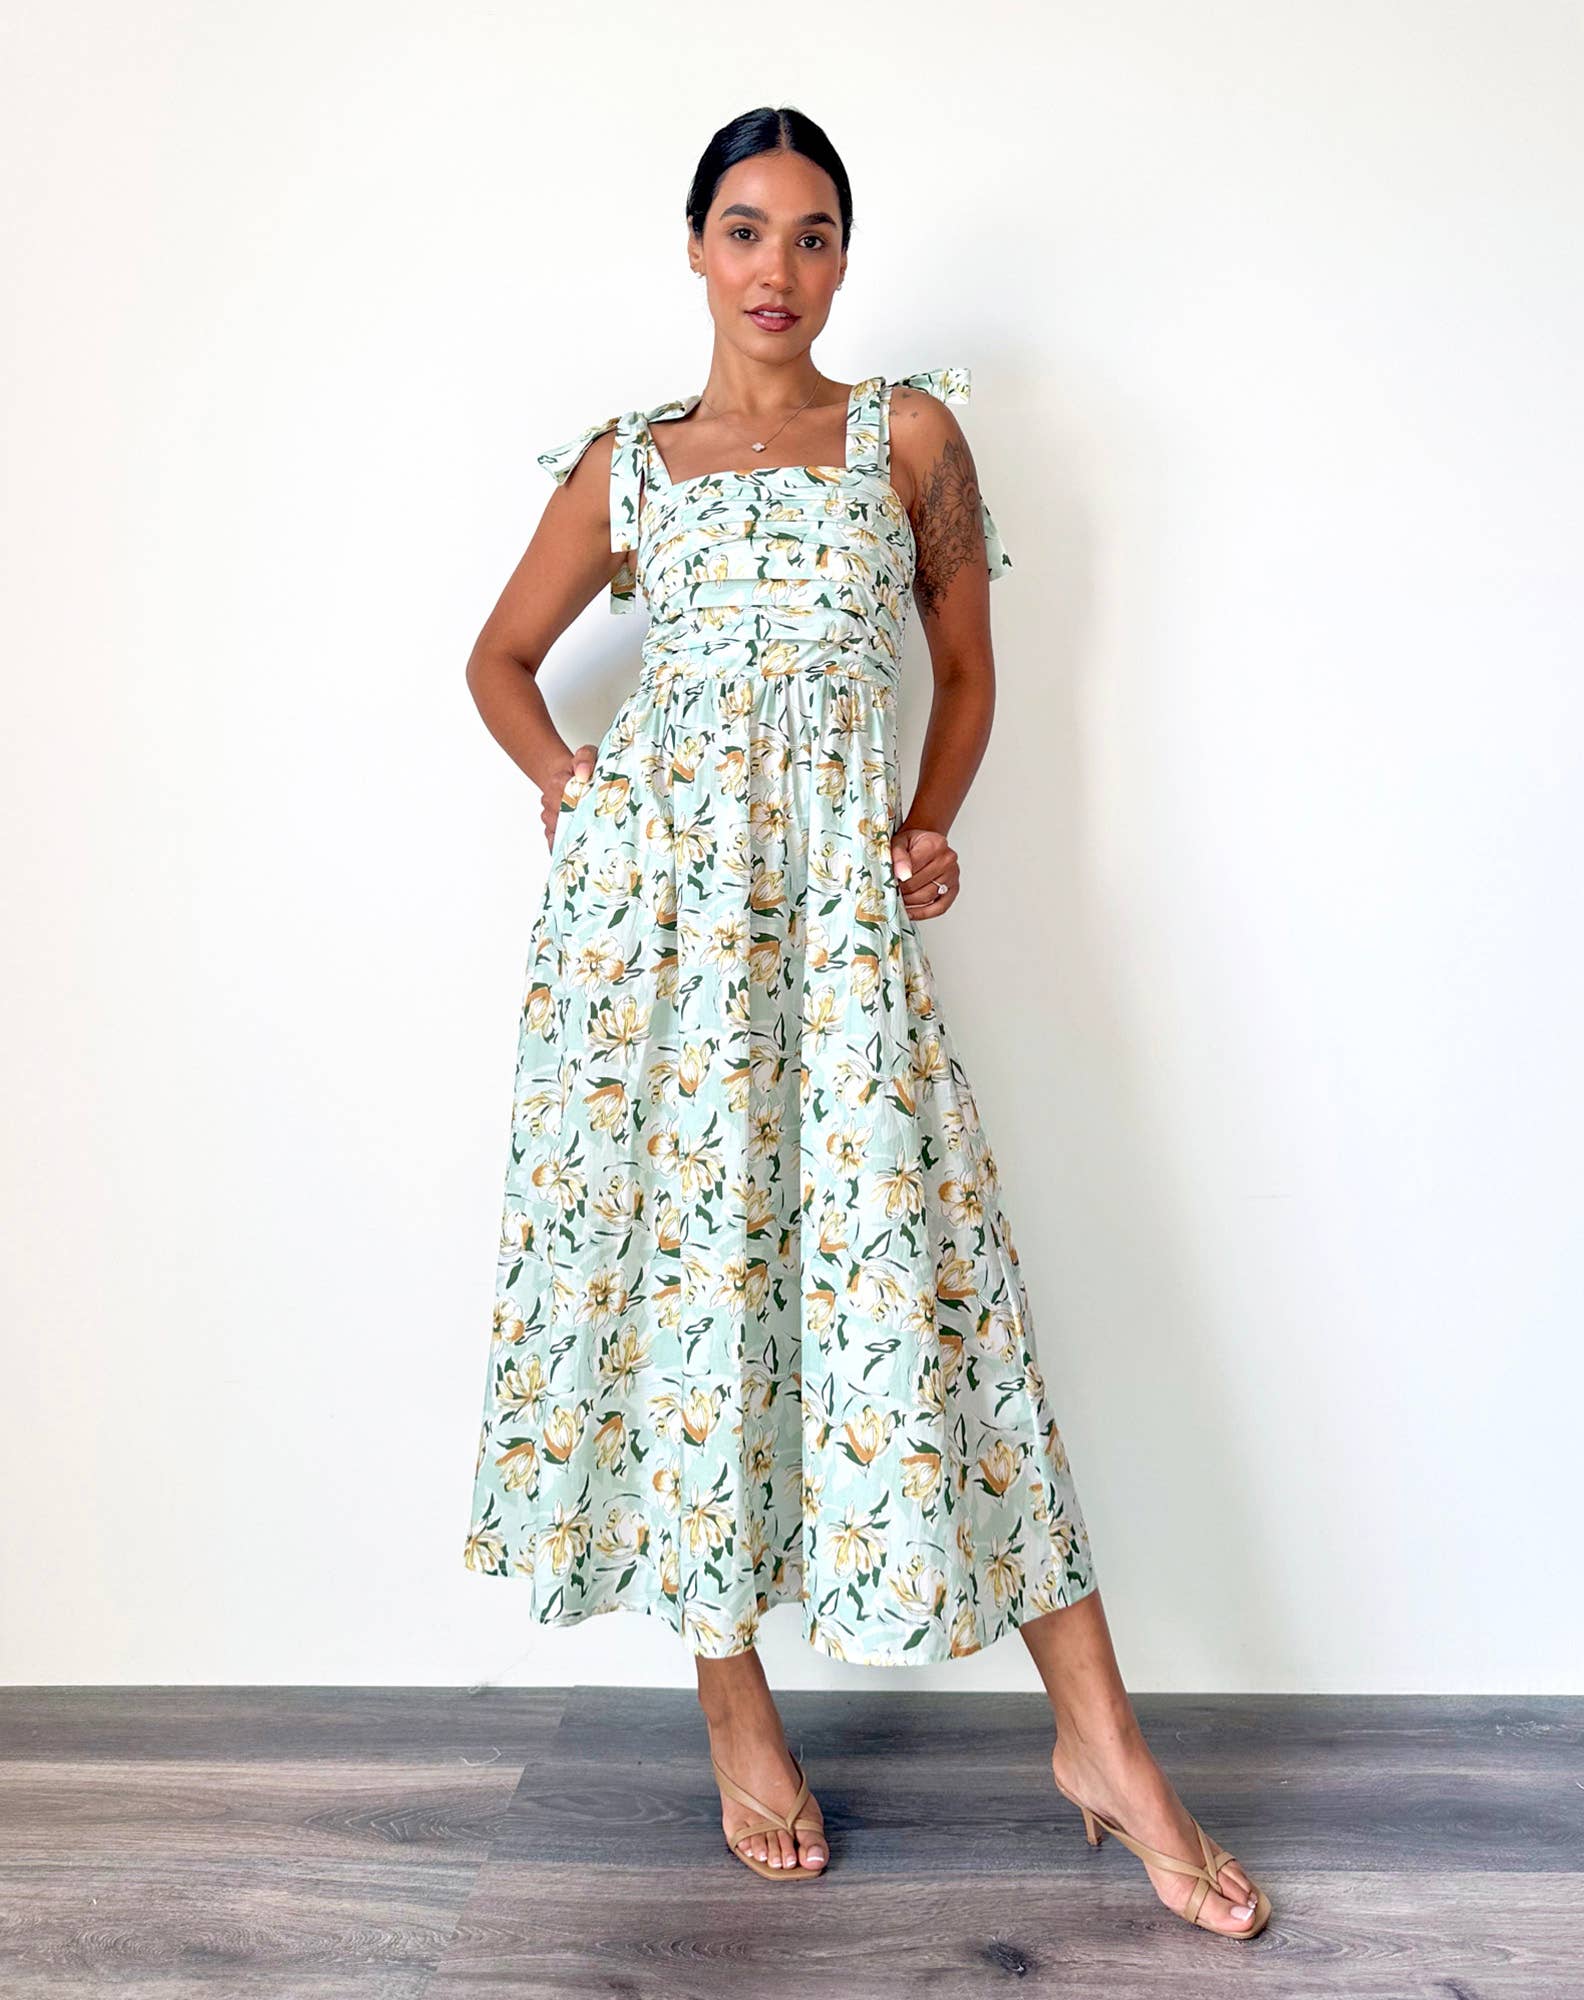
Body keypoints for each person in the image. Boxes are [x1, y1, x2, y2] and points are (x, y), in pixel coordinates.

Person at [460, 104, 1269, 1941]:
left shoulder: (907, 438)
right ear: (695, 247)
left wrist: (925, 824)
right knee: (686, 1289)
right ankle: (732, 1710)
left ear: (844, 258)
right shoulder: (626, 466)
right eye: (746, 230)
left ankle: (1105, 1745)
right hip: (649, 948)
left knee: (940, 1287)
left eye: (813, 234)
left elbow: (966, 672)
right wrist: (580, 792)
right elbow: (497, 663)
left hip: (834, 932)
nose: (778, 268)